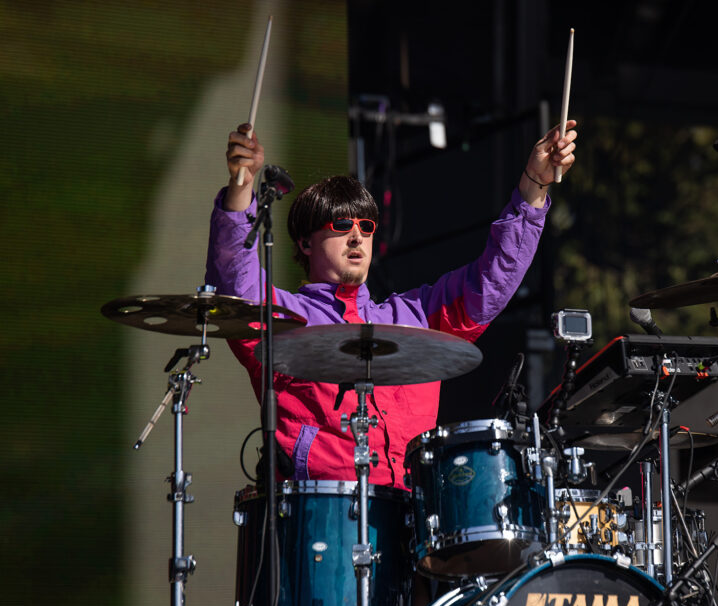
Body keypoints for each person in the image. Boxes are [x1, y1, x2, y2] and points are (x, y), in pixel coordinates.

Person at [206, 120, 577, 488]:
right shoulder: (284, 318)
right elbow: (236, 286)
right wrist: (242, 187)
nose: (357, 236)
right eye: (340, 225)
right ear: (305, 243)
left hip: (410, 518)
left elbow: (491, 282)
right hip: (317, 521)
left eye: (366, 226)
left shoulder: (413, 316)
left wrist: (534, 185)